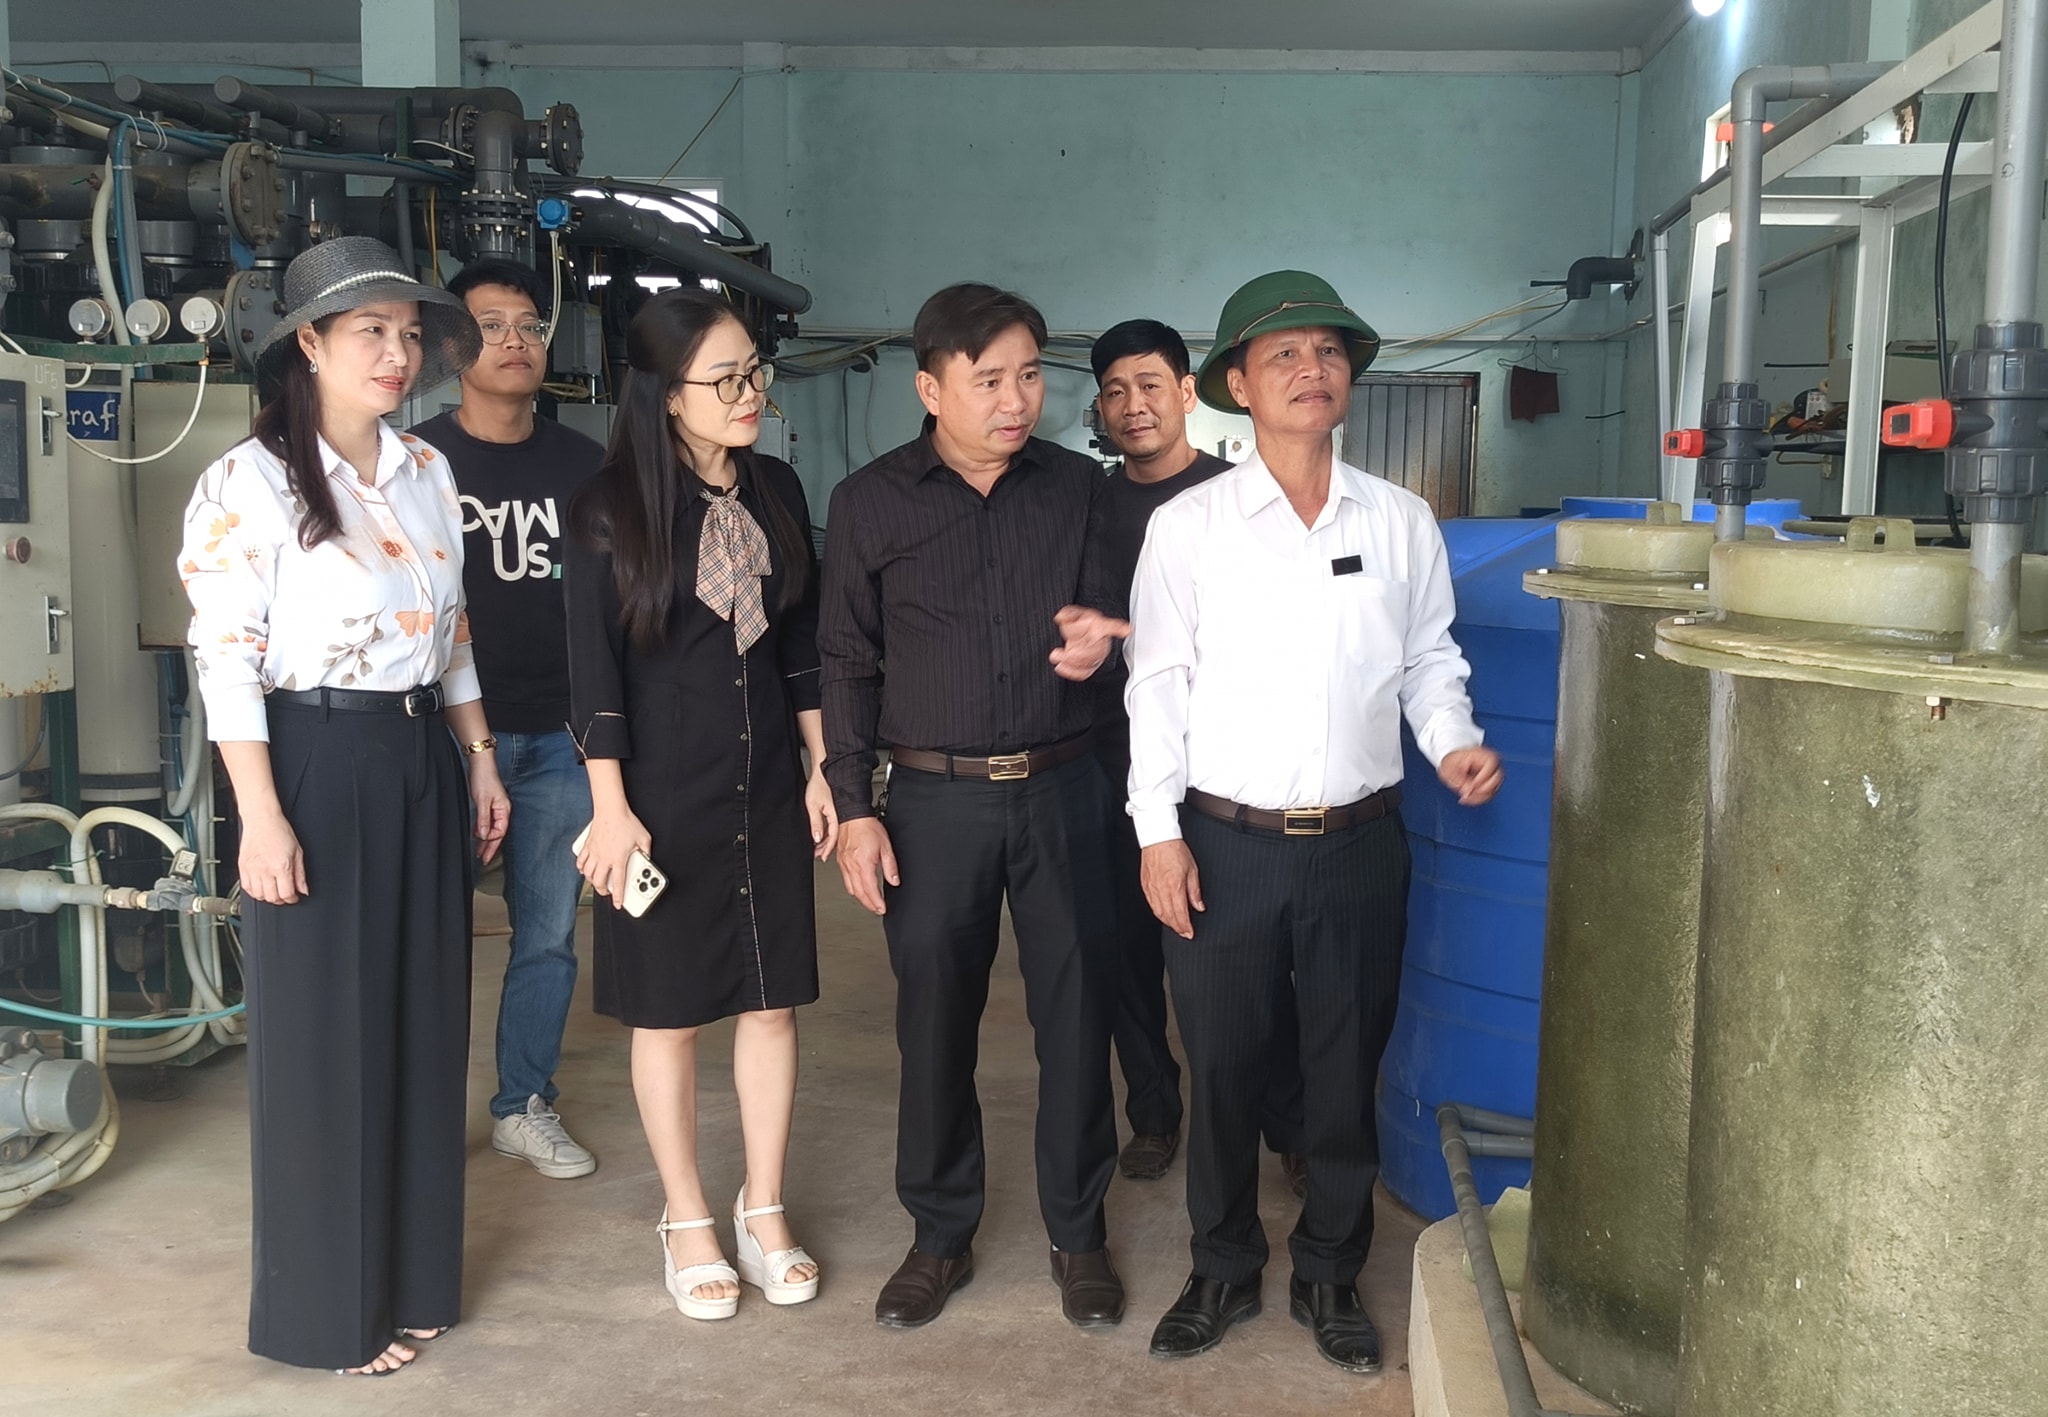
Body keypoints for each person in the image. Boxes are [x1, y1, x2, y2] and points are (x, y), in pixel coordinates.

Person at [1058, 271, 1503, 1373]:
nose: (1313, 369)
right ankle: (1220, 1266)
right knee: (1222, 1067)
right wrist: (1156, 833)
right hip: (1224, 843)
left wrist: (1449, 738)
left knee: (1343, 1068)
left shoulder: (1398, 521)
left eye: (1329, 351)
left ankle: (1328, 1271)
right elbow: (1156, 685)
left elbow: (1427, 658)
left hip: (1361, 841)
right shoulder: (1190, 527)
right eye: (1285, 355)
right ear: (1238, 386)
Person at [178, 236, 506, 1376]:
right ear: (309, 343)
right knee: (327, 1043)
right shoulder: (248, 482)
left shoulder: (426, 469)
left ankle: (414, 1280)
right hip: (311, 758)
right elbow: (226, 658)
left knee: (423, 1019)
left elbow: (451, 632)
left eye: (409, 333)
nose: (396, 352)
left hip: (419, 754)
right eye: (370, 331)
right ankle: (325, 1315)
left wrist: (478, 757)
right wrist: (260, 815)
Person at [819, 283, 1124, 1332]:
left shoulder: (1078, 489)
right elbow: (846, 661)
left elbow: (1115, 613)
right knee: (934, 1023)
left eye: (1029, 375)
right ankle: (939, 1233)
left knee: (1075, 1019)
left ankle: (1078, 1232)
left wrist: (1102, 640)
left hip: (1064, 787)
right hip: (931, 801)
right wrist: (853, 806)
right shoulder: (869, 502)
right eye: (988, 379)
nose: (1015, 399)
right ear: (929, 387)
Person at [564, 289, 835, 1321]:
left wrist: (823, 767)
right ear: (665, 395)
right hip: (658, 797)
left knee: (771, 1000)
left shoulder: (775, 486)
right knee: (668, 1011)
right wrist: (610, 807)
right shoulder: (607, 508)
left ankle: (762, 1205)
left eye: (752, 372)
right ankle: (686, 1215)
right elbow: (592, 672)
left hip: (765, 782)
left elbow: (799, 644)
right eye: (724, 379)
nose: (748, 393)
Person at [1080, 320, 1306, 1189]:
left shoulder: (1237, 497)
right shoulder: (1089, 506)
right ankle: (1154, 1111)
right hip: (1112, 761)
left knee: (1250, 955)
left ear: (1185, 392)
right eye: (1114, 391)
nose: (1133, 405)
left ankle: (1284, 1119)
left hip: (1222, 773)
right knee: (1127, 953)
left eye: (1149, 385)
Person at [412, 258, 605, 1180]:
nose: (517, 341)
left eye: (530, 325)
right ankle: (416, 1117)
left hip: (562, 735)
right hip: (445, 736)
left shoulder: (585, 465)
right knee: (427, 931)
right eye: (492, 326)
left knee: (549, 933)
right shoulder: (415, 462)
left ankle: (523, 1105)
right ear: (453, 344)